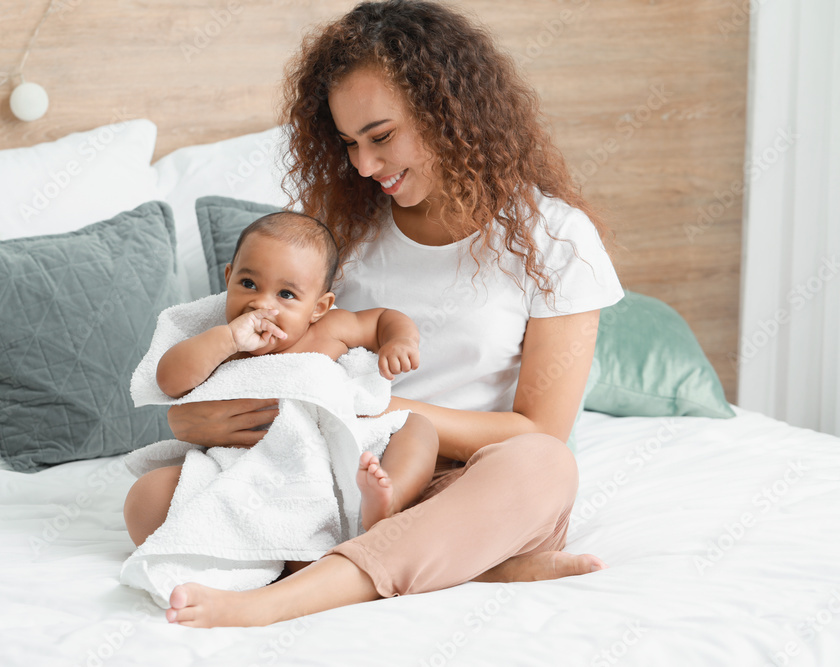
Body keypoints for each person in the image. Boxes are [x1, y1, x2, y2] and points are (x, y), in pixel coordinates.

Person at [150, 0, 625, 627]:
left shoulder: (556, 240)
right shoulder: (343, 224)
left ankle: (276, 601)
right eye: (348, 143)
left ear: (451, 112)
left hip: (466, 483)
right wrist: (198, 421)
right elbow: (264, 353)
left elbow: (536, 430)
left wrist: (378, 410)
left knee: (544, 467)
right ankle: (474, 566)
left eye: (381, 137)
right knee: (155, 499)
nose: (365, 166)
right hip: (337, 469)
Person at [123, 210, 440, 548]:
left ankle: (387, 500)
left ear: (319, 307)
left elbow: (382, 320)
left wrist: (400, 341)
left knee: (417, 428)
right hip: (244, 470)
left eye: (286, 295)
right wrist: (228, 340)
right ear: (228, 278)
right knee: (145, 498)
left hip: (326, 468)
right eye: (248, 284)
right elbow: (169, 380)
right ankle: (265, 545)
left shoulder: (329, 329)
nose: (261, 303)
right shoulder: (220, 342)